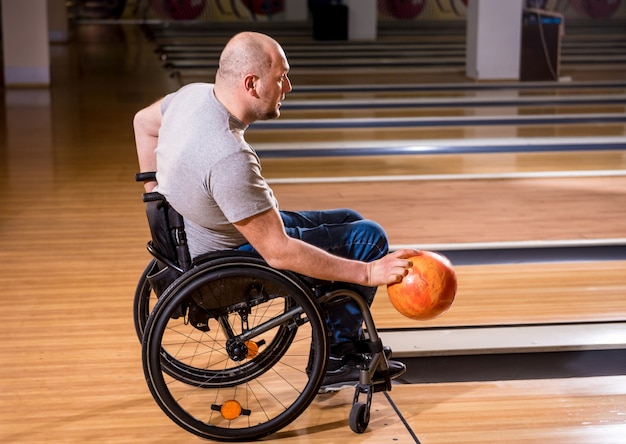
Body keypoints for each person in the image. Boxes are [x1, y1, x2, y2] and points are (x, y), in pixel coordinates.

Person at [133, 31, 417, 391]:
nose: (288, 86)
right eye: (281, 76)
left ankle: (337, 342)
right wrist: (367, 272)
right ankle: (335, 357)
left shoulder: (191, 97)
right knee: (368, 239)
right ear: (251, 84)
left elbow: (142, 123)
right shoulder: (227, 155)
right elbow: (278, 252)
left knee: (350, 218)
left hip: (191, 239)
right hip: (227, 259)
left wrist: (155, 198)